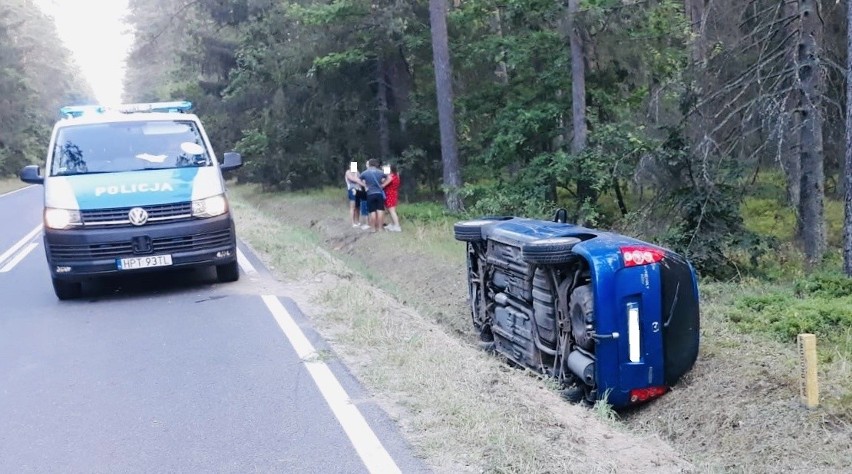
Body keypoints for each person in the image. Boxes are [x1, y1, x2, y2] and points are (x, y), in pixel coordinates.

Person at [359, 158, 388, 232]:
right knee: (380, 210)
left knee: (372, 211)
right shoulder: (380, 172)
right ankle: (380, 228)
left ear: (369, 164)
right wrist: (383, 185)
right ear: (376, 164)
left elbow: (358, 179)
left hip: (370, 194)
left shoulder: (365, 172)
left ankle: (373, 228)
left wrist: (365, 186)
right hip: (379, 193)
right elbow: (388, 177)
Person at [383, 164, 402, 232]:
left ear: (390, 169)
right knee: (390, 210)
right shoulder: (397, 174)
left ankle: (397, 226)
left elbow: (383, 185)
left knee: (392, 211)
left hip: (390, 194)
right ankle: (393, 224)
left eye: (387, 168)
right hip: (393, 193)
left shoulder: (390, 177)